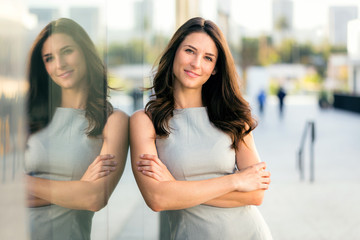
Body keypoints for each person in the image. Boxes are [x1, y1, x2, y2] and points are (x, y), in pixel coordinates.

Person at [130, 17, 272, 240]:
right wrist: (235, 181)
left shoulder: (234, 116)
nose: (196, 63)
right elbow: (158, 199)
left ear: (215, 68)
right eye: (190, 51)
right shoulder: (144, 121)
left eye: (208, 58)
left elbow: (256, 194)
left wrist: (175, 187)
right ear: (174, 52)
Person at [25, 18, 129, 240]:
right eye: (49, 58)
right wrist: (77, 188)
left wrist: (23, 183)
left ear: (85, 52)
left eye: (67, 51)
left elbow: (93, 198)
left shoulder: (114, 121)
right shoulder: (24, 117)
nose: (60, 64)